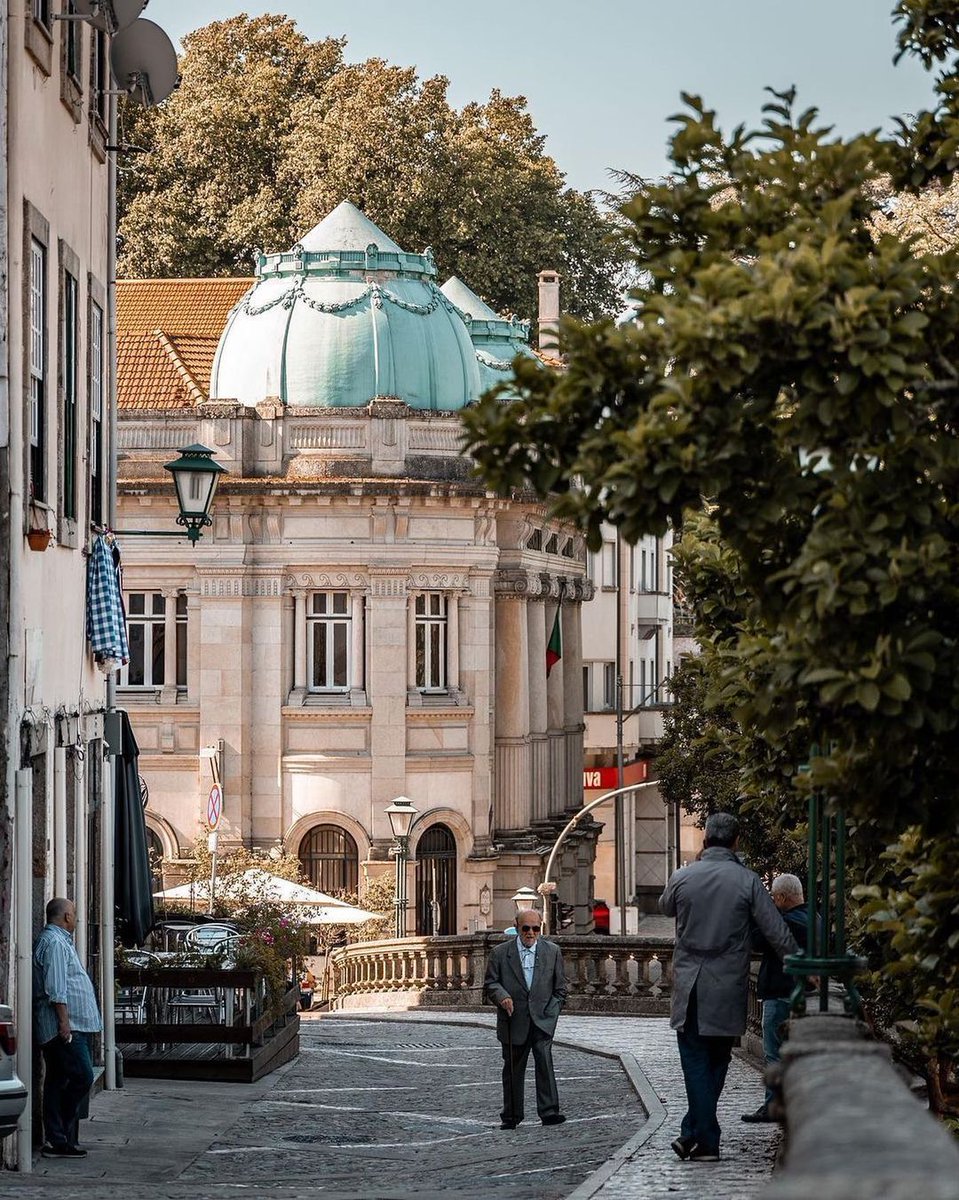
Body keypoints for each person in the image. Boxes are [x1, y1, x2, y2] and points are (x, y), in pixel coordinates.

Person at [659, 812, 798, 1163]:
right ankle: (701, 1136)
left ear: (705, 840)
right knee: (717, 1060)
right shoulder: (748, 881)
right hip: (727, 987)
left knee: (694, 1062)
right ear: (736, 842)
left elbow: (665, 906)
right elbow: (776, 931)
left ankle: (698, 1135)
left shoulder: (683, 876)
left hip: (689, 986)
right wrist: (802, 966)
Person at [483, 908, 568, 1130]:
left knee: (545, 1066)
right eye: (526, 928)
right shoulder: (500, 953)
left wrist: (551, 1014)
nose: (531, 933)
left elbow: (560, 989)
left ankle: (549, 1112)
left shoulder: (552, 951)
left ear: (541, 928)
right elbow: (491, 983)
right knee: (512, 1070)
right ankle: (511, 1116)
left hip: (543, 1020)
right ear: (517, 927)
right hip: (513, 1020)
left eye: (535, 928)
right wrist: (502, 997)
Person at [32, 897, 103, 1159]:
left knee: (58, 1079)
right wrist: (64, 1023)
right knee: (82, 1075)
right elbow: (56, 988)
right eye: (73, 913)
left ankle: (59, 1139)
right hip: (64, 1027)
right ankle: (58, 1134)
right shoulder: (54, 943)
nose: (76, 918)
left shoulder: (59, 941)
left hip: (69, 1025)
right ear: (66, 917)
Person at [741, 872, 809, 1124]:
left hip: (781, 994)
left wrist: (759, 913)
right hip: (801, 994)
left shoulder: (785, 922)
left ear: (781, 897)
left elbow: (756, 940)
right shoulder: (815, 917)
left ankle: (773, 1105)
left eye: (773, 897)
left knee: (774, 1054)